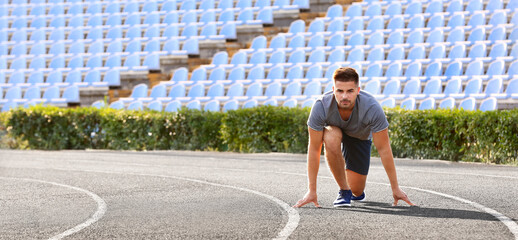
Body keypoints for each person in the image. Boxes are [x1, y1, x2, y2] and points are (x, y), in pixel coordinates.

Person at [293, 67, 414, 208]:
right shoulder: (321, 106)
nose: (344, 96)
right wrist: (311, 191)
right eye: (340, 91)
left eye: (350, 91)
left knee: (356, 191)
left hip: (359, 138)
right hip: (335, 132)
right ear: (333, 90)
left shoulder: (372, 108)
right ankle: (344, 191)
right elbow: (314, 149)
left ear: (358, 90)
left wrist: (395, 188)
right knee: (331, 137)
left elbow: (384, 149)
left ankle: (352, 187)